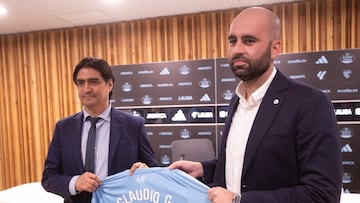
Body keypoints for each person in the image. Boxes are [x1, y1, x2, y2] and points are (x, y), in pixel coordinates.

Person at [169, 7, 343, 203]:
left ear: (274, 49)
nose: (238, 49)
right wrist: (204, 168)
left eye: (249, 41)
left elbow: (322, 194)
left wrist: (238, 201)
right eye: (232, 41)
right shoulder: (237, 100)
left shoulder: (309, 103)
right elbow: (249, 161)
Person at [41, 57, 158, 203]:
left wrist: (145, 170)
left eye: (93, 82)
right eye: (80, 83)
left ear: (109, 84)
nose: (86, 89)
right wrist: (75, 182)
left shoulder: (133, 125)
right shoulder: (63, 128)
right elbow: (49, 177)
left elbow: (153, 170)